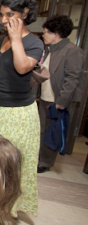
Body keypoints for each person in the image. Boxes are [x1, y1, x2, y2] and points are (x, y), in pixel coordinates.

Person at [0, 0, 44, 216]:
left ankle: (5, 211)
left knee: (11, 167)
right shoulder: (0, 39)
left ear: (25, 12)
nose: (4, 20)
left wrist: (17, 38)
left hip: (19, 114)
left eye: (10, 14)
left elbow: (22, 67)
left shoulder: (34, 43)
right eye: (2, 14)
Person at [37, 15, 85, 173]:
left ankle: (45, 162)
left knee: (52, 132)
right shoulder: (51, 50)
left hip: (57, 100)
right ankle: (39, 158)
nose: (43, 34)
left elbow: (72, 78)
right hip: (44, 97)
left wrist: (62, 101)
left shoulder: (72, 51)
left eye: (46, 32)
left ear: (56, 33)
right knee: (42, 129)